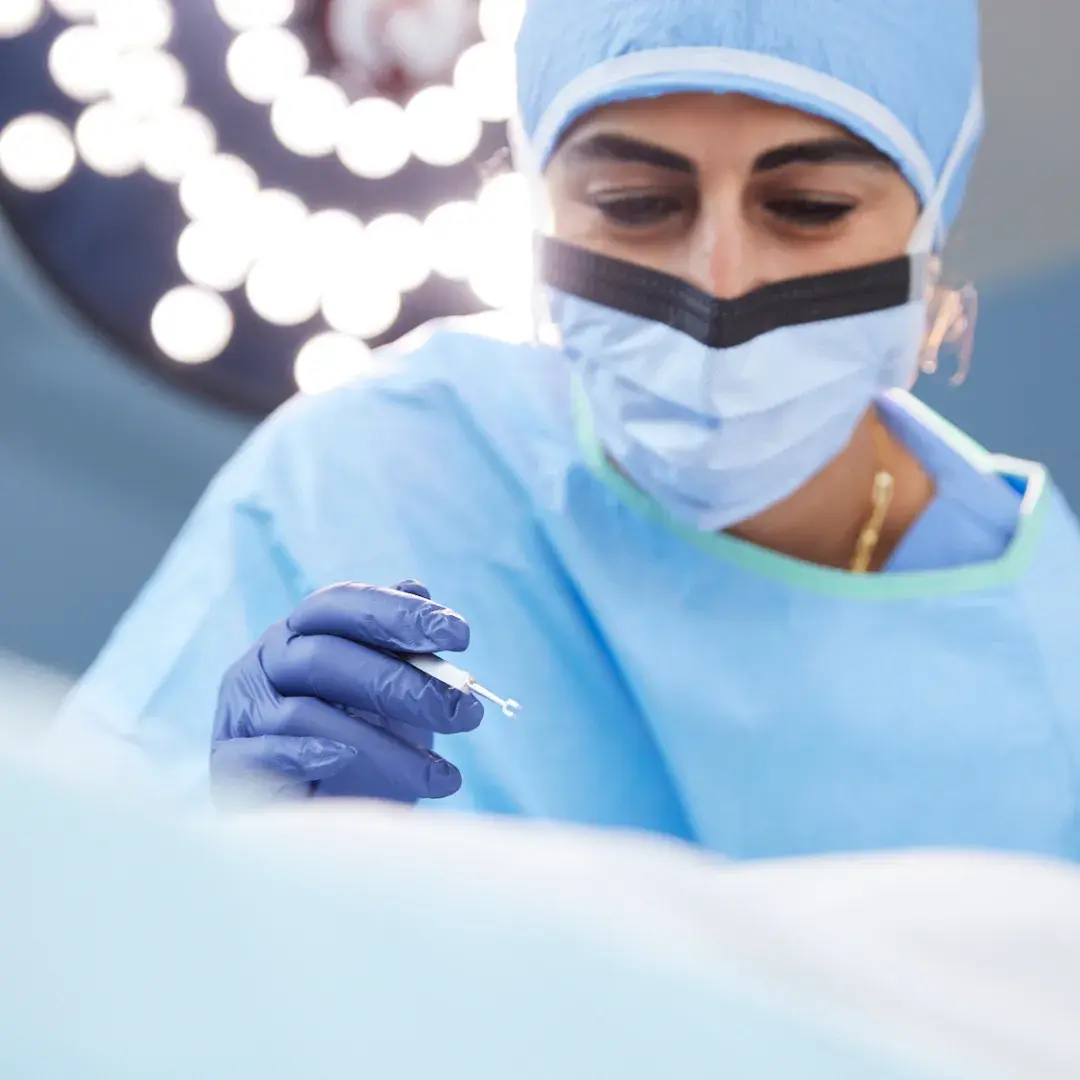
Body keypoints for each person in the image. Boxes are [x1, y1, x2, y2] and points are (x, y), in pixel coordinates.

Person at [54, 0, 1080, 858]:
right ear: (537, 221)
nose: (718, 286)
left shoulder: (1051, 666)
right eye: (633, 203)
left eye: (808, 207)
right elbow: (59, 941)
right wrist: (208, 837)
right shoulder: (370, 474)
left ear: (926, 249)